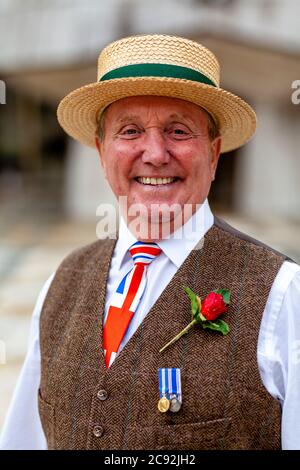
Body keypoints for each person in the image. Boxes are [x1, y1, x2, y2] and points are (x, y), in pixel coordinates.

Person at [1, 34, 300, 451]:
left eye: (178, 131)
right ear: (102, 152)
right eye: (130, 131)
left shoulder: (284, 294)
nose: (155, 153)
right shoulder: (61, 282)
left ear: (214, 154)